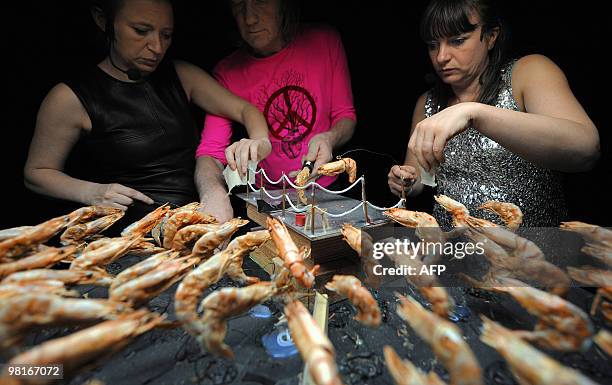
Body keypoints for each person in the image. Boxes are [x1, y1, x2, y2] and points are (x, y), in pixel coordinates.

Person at [23, 0, 271, 224]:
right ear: (103, 21)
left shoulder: (182, 75)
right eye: (141, 31)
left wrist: (260, 141)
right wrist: (92, 192)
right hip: (128, 233)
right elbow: (36, 173)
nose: (157, 47)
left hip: (195, 220)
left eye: (166, 35)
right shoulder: (69, 97)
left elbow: (244, 109)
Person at [388, 0, 599, 228]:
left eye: (457, 41)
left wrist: (474, 112)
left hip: (531, 250)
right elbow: (421, 176)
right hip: (456, 248)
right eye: (432, 45)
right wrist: (407, 180)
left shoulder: (528, 73)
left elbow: (586, 148)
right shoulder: (427, 102)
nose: (441, 57)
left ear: (491, 36)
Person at [196, 0, 357, 223]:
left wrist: (329, 138)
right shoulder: (227, 72)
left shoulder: (324, 40)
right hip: (265, 201)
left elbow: (345, 115)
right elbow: (210, 153)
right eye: (238, 5)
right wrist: (212, 193)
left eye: (260, 1)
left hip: (326, 192)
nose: (250, 18)